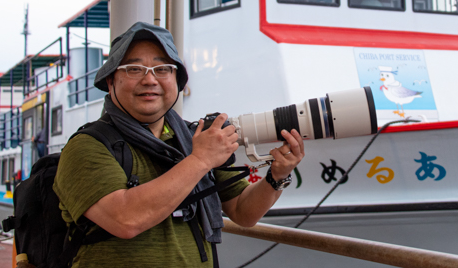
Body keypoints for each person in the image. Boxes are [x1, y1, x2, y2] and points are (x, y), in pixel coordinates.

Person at [53, 22, 304, 267]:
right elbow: (125, 219)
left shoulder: (193, 138)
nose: (150, 80)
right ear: (111, 82)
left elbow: (243, 212)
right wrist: (200, 160)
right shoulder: (86, 147)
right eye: (134, 69)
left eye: (162, 69)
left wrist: (276, 176)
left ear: (177, 81)